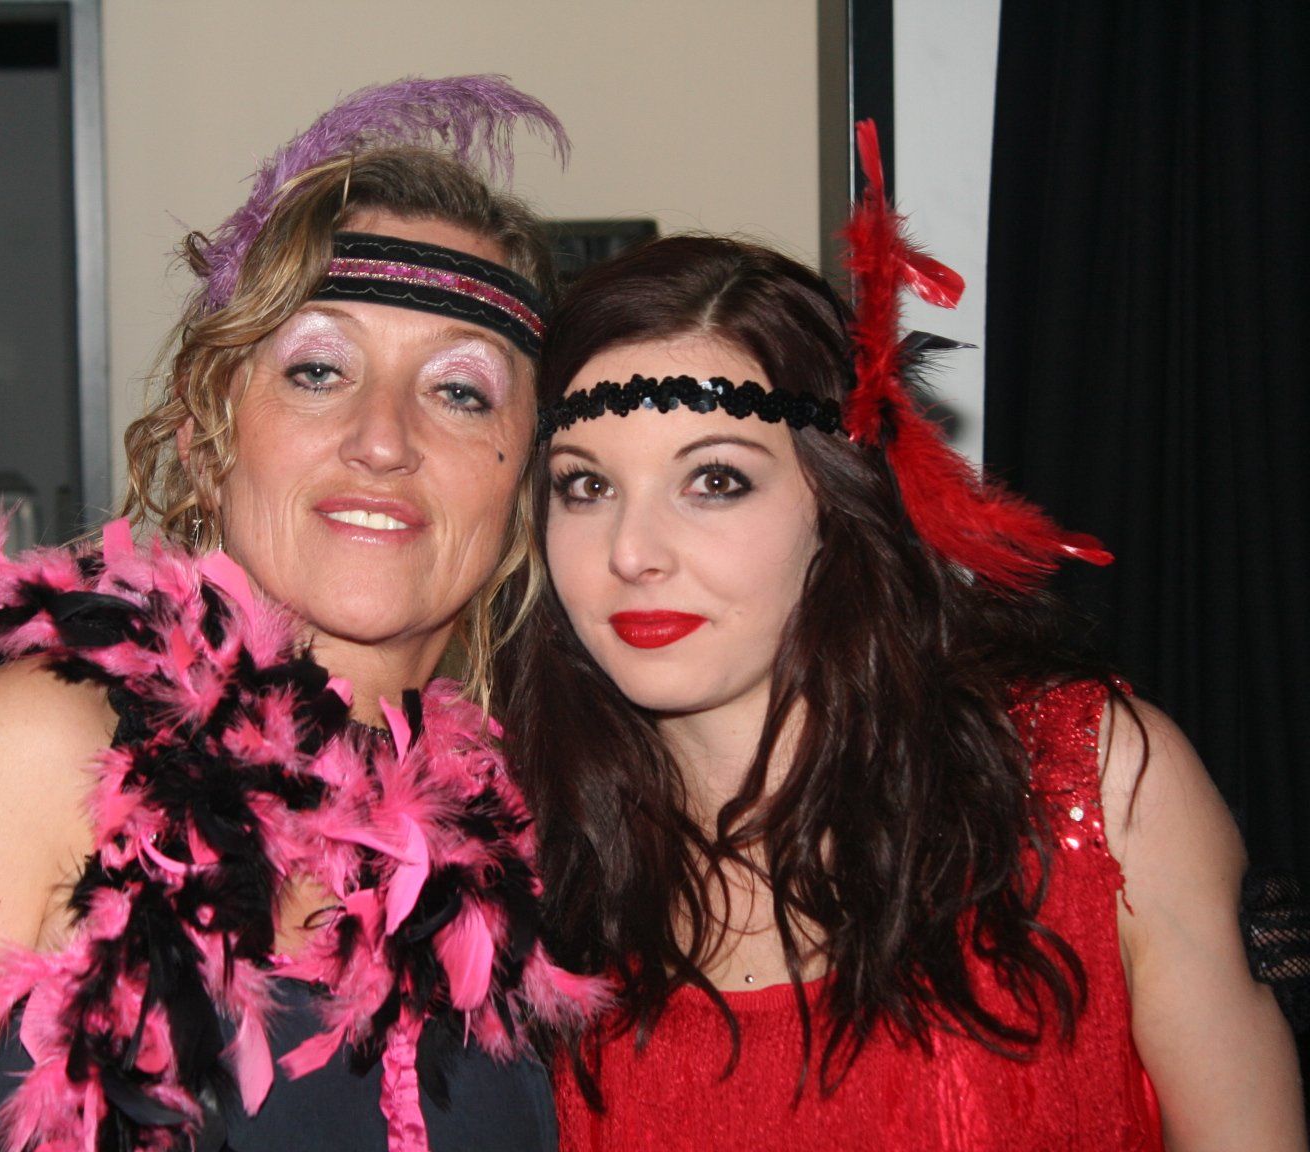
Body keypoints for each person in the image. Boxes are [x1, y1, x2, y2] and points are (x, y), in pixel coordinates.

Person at [0, 77, 603, 1152]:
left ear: (525, 480)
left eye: (459, 391)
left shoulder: (529, 845)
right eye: (319, 370)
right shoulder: (42, 749)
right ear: (209, 441)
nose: (383, 438)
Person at [502, 128, 1305, 1150]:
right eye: (585, 486)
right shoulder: (511, 865)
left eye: (715, 480)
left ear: (837, 508)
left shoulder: (1089, 786)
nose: (631, 551)